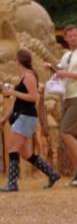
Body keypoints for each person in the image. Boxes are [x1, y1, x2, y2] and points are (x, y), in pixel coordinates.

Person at [0, 49, 60, 192]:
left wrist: (13, 92)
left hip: (26, 117)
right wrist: (5, 118)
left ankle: (12, 183)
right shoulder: (23, 76)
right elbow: (16, 101)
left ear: (18, 61)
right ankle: (52, 174)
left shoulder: (29, 76)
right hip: (22, 116)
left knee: (13, 149)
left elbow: (34, 98)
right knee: (26, 154)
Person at [44, 25, 77, 186]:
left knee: (65, 132)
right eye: (70, 36)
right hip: (67, 97)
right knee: (70, 135)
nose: (73, 38)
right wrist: (50, 68)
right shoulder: (66, 55)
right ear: (65, 38)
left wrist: (65, 74)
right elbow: (59, 72)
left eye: (75, 35)